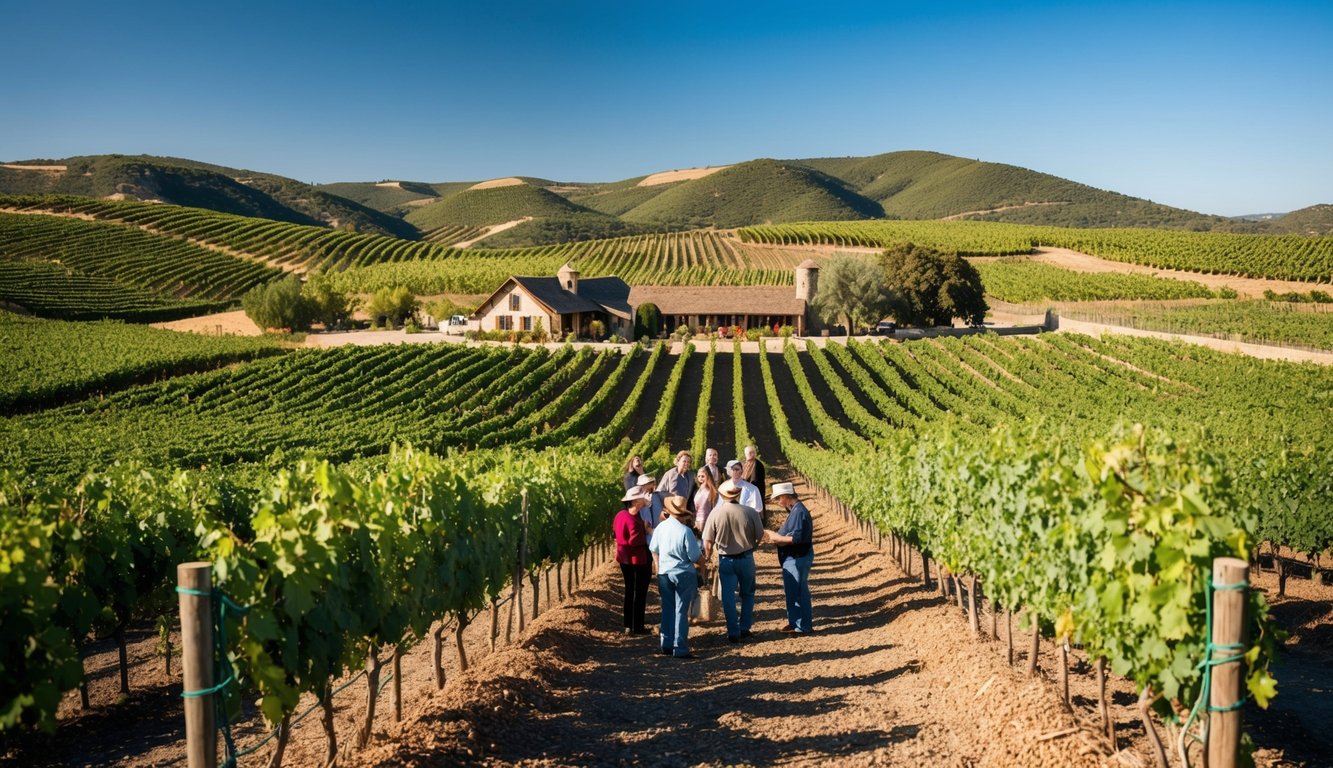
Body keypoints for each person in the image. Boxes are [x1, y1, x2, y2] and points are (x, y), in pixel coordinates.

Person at [701, 480, 764, 643]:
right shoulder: (750, 512)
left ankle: (733, 632)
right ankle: (744, 628)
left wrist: (708, 557)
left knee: (728, 596)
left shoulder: (715, 513)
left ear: (722, 496)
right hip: (746, 558)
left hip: (726, 560)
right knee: (748, 594)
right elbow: (761, 534)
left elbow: (707, 542)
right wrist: (753, 546)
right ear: (739, 495)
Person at [649, 495, 703, 658]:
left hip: (664, 573)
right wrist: (703, 563)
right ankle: (679, 648)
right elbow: (694, 556)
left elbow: (653, 548)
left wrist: (658, 566)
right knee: (681, 610)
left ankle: (666, 643)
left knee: (667, 608)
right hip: (683, 573)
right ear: (683, 514)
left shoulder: (660, 528)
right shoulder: (685, 531)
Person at [764, 482, 814, 635]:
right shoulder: (795, 510)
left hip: (797, 556)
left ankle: (802, 626)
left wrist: (776, 538)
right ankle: (795, 622)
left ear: (786, 496)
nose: (778, 502)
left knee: (798, 592)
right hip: (795, 556)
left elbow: (795, 538)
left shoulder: (799, 512)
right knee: (793, 591)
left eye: (779, 498)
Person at [614, 486, 654, 635]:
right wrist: (645, 530)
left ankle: (628, 625)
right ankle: (638, 626)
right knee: (641, 591)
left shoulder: (621, 515)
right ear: (636, 501)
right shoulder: (635, 519)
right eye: (642, 497)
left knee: (629, 590)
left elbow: (616, 536)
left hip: (624, 559)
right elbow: (634, 540)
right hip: (637, 559)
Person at [693, 466, 719, 532]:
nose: (701, 478)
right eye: (699, 476)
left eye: (703, 476)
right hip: (696, 520)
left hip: (706, 520)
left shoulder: (711, 491)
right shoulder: (699, 489)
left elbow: (714, 508)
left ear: (707, 476)